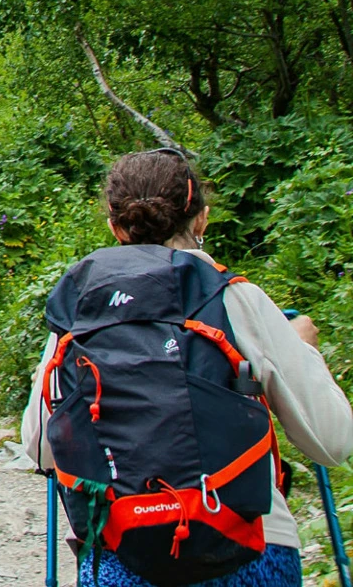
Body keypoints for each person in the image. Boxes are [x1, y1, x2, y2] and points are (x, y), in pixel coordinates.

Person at [21, 149, 353, 587]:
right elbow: (333, 442)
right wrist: (304, 350)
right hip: (248, 547)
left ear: (114, 226)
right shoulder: (234, 298)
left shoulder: (82, 307)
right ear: (201, 220)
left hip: (121, 552)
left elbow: (40, 447)